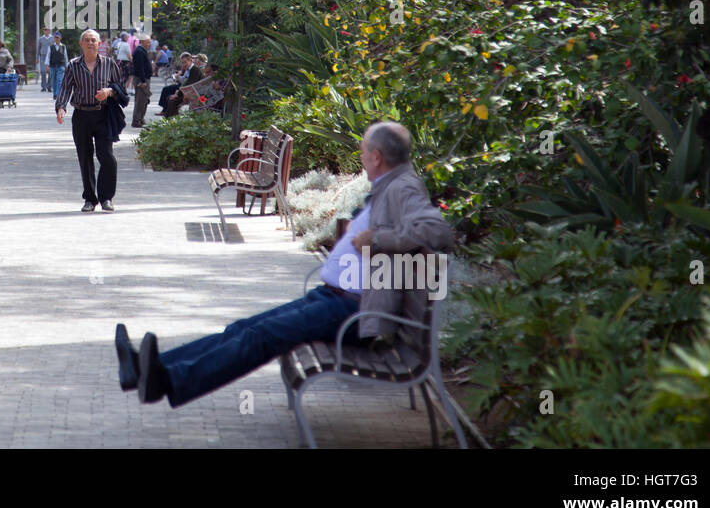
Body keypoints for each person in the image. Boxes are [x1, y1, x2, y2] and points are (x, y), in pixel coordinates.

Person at [114, 121, 454, 407]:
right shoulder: (389, 186)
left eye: (364, 151)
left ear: (377, 157)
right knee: (244, 329)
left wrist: (376, 239)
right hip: (336, 299)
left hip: (354, 312)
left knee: (260, 336)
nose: (361, 157)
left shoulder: (403, 188)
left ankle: (165, 380)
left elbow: (437, 232)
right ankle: (150, 370)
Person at [55, 28, 123, 212]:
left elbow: (120, 88)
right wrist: (61, 107)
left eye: (93, 40)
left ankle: (106, 197)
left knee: (107, 157)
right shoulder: (73, 65)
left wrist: (109, 92)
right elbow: (65, 88)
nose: (90, 43)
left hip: (103, 114)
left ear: (99, 44)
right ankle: (90, 199)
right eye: (87, 40)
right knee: (85, 159)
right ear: (81, 44)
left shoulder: (110, 64)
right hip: (81, 115)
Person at [129, 34, 154, 127]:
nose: (149, 44)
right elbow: (140, 68)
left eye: (150, 42)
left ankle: (141, 118)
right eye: (148, 42)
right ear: (142, 42)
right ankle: (136, 120)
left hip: (145, 78)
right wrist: (143, 81)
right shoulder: (139, 51)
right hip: (141, 79)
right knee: (140, 100)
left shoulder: (142, 51)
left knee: (145, 100)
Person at [48, 32, 69, 97]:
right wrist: (46, 64)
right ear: (54, 38)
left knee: (59, 80)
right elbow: (48, 56)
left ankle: (58, 94)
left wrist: (67, 65)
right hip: (52, 65)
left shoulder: (63, 47)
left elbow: (65, 56)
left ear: (60, 38)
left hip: (61, 65)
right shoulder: (51, 47)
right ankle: (54, 93)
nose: (56, 39)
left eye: (58, 37)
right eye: (55, 37)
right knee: (54, 80)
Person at [37, 27, 53, 91]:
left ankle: (49, 86)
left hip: (50, 56)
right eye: (44, 30)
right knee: (43, 71)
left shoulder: (52, 38)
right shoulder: (41, 39)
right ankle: (43, 86)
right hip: (43, 56)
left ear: (49, 31)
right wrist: (37, 57)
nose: (45, 31)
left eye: (46, 30)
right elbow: (38, 48)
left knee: (50, 72)